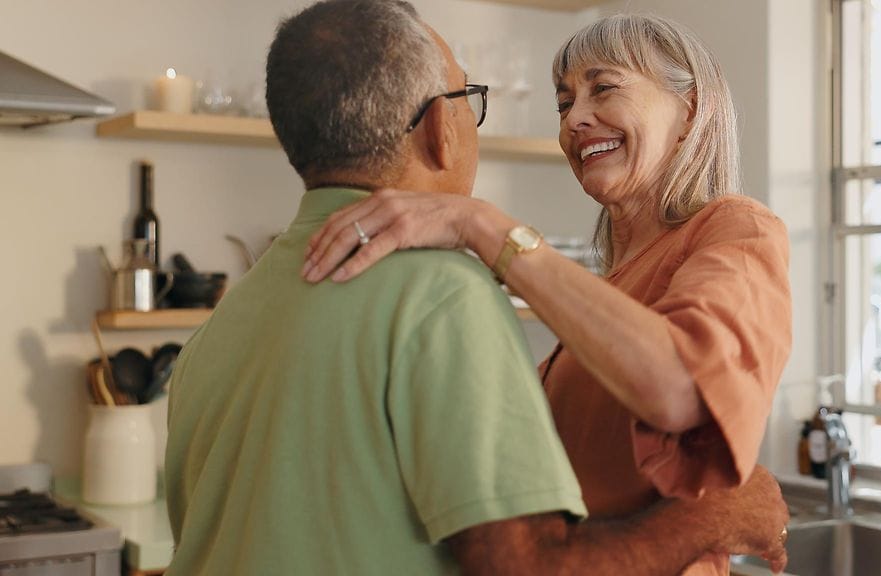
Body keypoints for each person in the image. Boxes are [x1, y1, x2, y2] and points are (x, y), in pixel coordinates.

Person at [165, 2, 789, 575]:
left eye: (604, 88)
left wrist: (484, 226)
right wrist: (718, 513)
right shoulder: (452, 295)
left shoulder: (222, 325)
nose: (574, 118)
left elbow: (683, 386)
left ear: (691, 110)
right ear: (442, 127)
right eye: (563, 101)